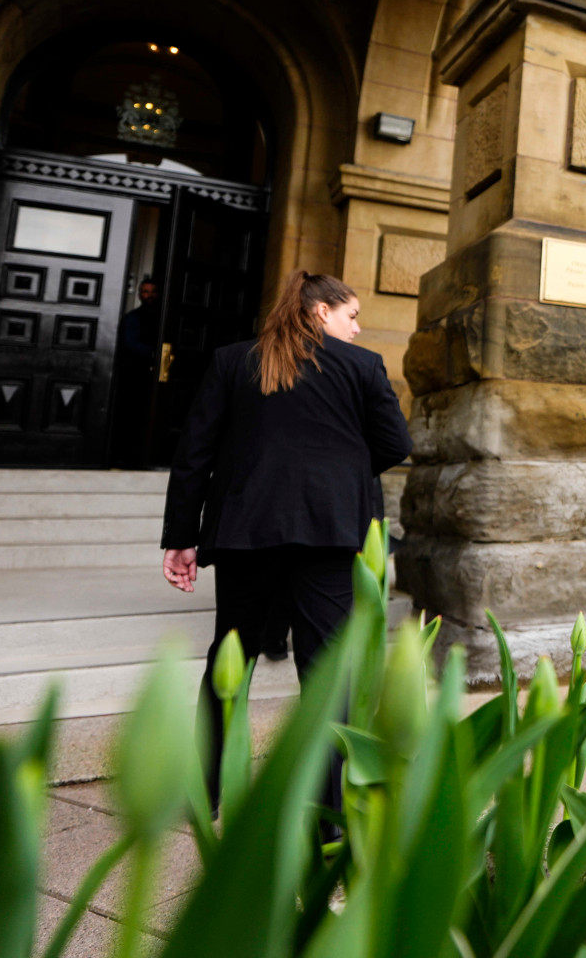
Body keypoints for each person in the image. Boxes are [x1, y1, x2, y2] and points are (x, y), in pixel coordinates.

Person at [160, 271, 412, 816]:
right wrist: (339, 473)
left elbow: (194, 455)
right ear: (321, 311)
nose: (357, 327)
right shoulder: (362, 366)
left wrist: (181, 537)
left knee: (230, 660)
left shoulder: (233, 361)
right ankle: (327, 813)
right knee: (327, 673)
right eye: (351, 315)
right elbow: (396, 443)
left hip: (245, 532)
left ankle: (203, 794)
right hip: (329, 535)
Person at [110, 277, 160, 467]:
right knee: (130, 416)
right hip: (134, 375)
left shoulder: (163, 317)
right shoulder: (132, 318)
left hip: (154, 376)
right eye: (146, 291)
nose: (149, 295)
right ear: (139, 294)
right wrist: (154, 354)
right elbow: (130, 344)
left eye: (153, 291)